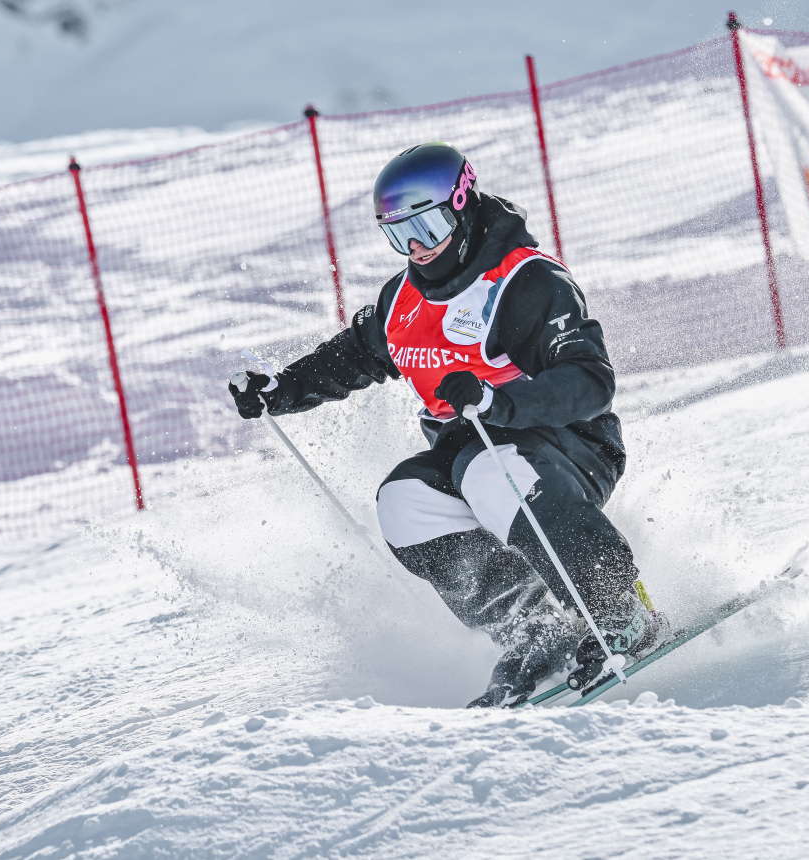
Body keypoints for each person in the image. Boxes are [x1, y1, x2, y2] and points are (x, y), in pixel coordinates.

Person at [229, 142, 663, 707]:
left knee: (489, 470)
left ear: (462, 203)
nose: (417, 248)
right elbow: (355, 355)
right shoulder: (403, 300)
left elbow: (590, 380)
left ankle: (618, 608)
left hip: (570, 448)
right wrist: (281, 390)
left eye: (429, 228)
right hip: (475, 455)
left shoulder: (524, 282)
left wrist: (498, 399)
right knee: (403, 503)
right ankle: (533, 627)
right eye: (398, 235)